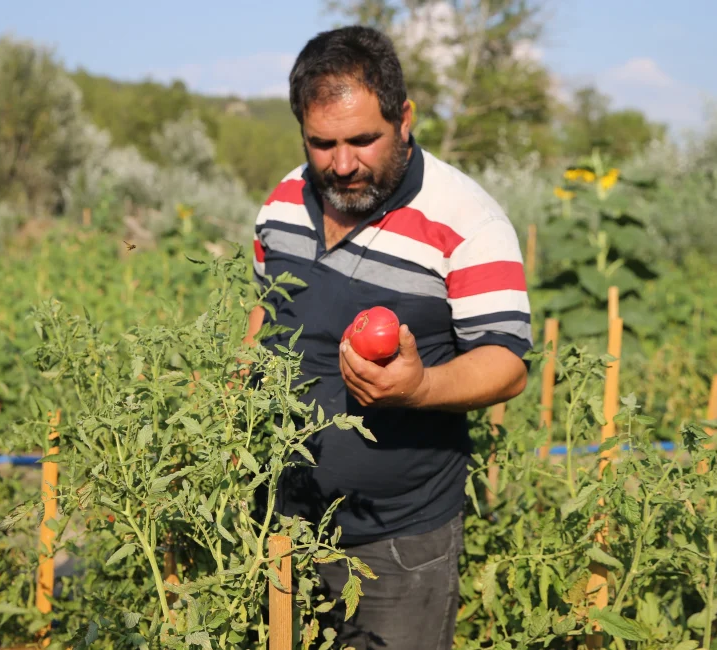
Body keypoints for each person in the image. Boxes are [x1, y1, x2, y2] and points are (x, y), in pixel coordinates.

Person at [242, 24, 533, 650]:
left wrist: (420, 385)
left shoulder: (467, 220)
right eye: (321, 144)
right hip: (277, 526)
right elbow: (265, 314)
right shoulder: (283, 204)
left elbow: (506, 363)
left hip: (397, 544)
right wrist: (233, 388)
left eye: (361, 140)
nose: (342, 164)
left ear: (404, 119)